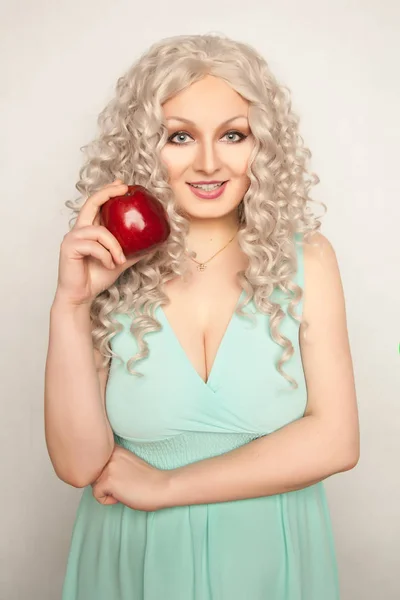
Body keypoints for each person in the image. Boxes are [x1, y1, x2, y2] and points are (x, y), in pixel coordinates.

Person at [44, 33, 359, 600]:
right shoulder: (110, 269)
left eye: (232, 135)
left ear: (261, 146)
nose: (209, 162)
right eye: (180, 136)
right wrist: (72, 306)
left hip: (267, 561)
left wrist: (168, 486)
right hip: (132, 564)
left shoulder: (308, 259)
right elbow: (77, 464)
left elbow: (336, 441)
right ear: (145, 148)